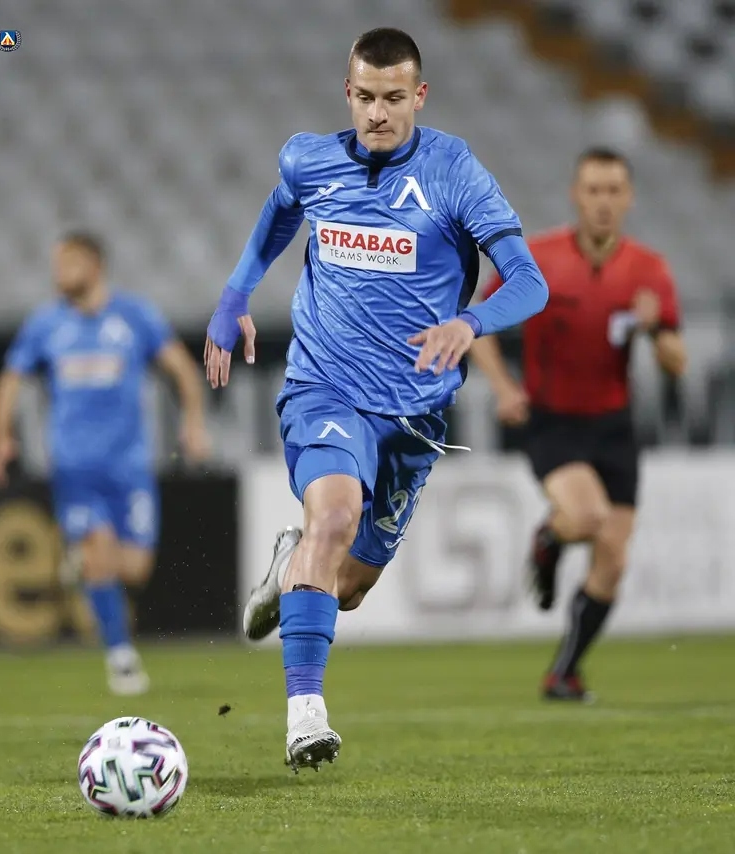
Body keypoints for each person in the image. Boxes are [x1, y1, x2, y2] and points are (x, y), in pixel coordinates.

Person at [204, 27, 548, 771]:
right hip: (324, 387)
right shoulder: (309, 158)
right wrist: (235, 296)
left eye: (393, 98)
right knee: (334, 516)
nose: (378, 114)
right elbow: (280, 212)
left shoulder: (453, 171)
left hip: (414, 416)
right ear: (348, 93)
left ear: (419, 96)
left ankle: (290, 567)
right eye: (364, 97)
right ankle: (305, 717)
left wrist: (469, 322)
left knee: (349, 585)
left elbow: (530, 280)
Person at [470, 148, 687, 702]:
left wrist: (654, 329)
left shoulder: (648, 270)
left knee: (613, 560)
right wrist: (504, 388)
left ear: (629, 198)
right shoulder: (539, 258)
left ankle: (563, 673)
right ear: (576, 195)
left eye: (614, 190)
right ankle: (550, 539)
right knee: (587, 516)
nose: (603, 202)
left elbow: (677, 361)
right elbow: (477, 324)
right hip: (553, 421)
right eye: (594, 190)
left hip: (615, 426)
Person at [0, 231, 210, 696]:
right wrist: (1, 438)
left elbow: (182, 369)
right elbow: (9, 381)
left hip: (129, 466)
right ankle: (121, 657)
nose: (59, 273)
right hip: (75, 467)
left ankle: (84, 569)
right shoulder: (46, 324)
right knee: (99, 553)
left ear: (94, 266)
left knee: (134, 568)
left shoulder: (134, 316)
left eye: (68, 263)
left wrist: (193, 424)